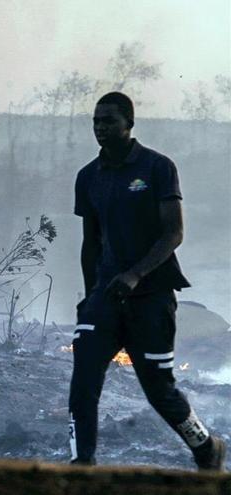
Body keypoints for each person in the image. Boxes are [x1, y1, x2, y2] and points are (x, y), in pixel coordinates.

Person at [68, 91, 226, 470]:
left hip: (152, 297)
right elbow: (91, 242)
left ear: (129, 123)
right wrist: (90, 295)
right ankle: (81, 466)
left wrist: (136, 275)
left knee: (159, 390)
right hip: (106, 298)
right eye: (96, 121)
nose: (101, 128)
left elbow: (174, 234)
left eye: (109, 120)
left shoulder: (157, 168)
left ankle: (206, 447)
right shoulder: (88, 177)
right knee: (83, 382)